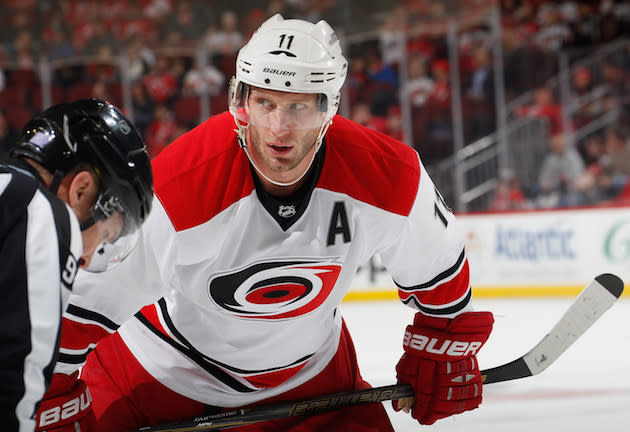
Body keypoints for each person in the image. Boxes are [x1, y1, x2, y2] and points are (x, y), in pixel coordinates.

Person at [48, 15, 494, 431]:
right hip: (163, 380)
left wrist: (441, 343)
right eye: (265, 102)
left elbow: (439, 268)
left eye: (297, 107)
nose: (277, 127)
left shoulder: (388, 174)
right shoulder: (181, 185)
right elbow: (84, 304)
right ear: (242, 100)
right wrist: (51, 396)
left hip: (315, 379)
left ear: (327, 109)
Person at [0, 98, 153, 431]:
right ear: (81, 189)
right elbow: (14, 372)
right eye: (105, 235)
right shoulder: (39, 213)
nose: (86, 257)